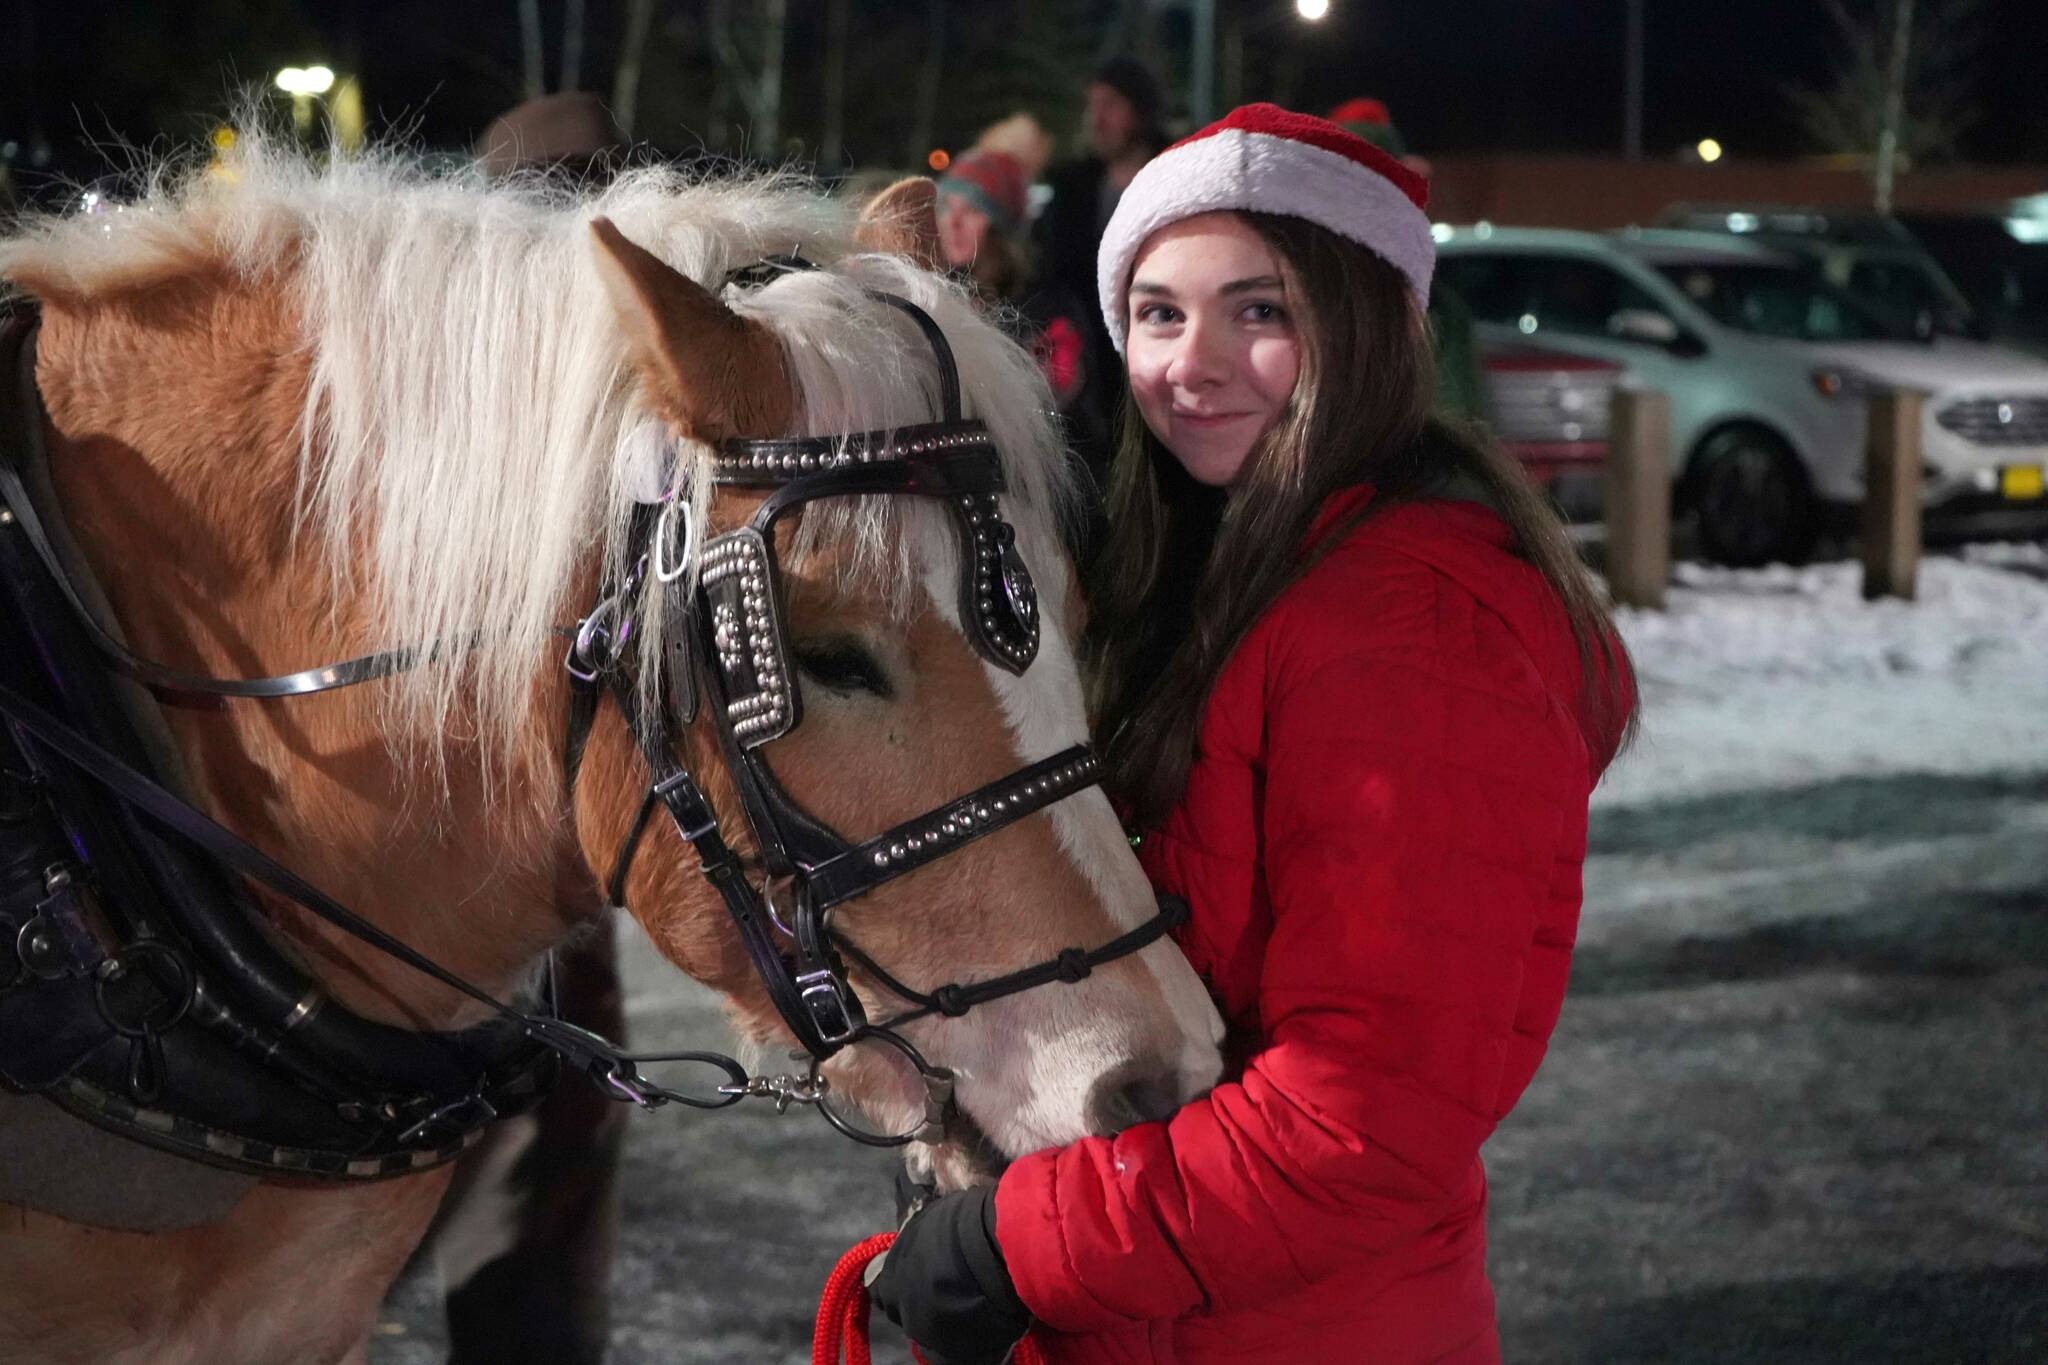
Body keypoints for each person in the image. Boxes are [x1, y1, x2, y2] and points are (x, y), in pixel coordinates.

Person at [868, 103, 1636, 1365]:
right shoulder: (1204, 570)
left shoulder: (1404, 628)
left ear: (1372, 328)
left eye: (1260, 311)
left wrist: (1023, 1244)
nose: (1192, 362)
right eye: (1159, 313)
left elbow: (1362, 1125)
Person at [1031, 57, 1170, 483]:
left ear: (1140, 112)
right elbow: (1048, 278)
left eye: (1110, 105)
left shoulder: (1174, 180)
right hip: (1091, 378)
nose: (1098, 119)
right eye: (1093, 106)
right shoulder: (1072, 191)